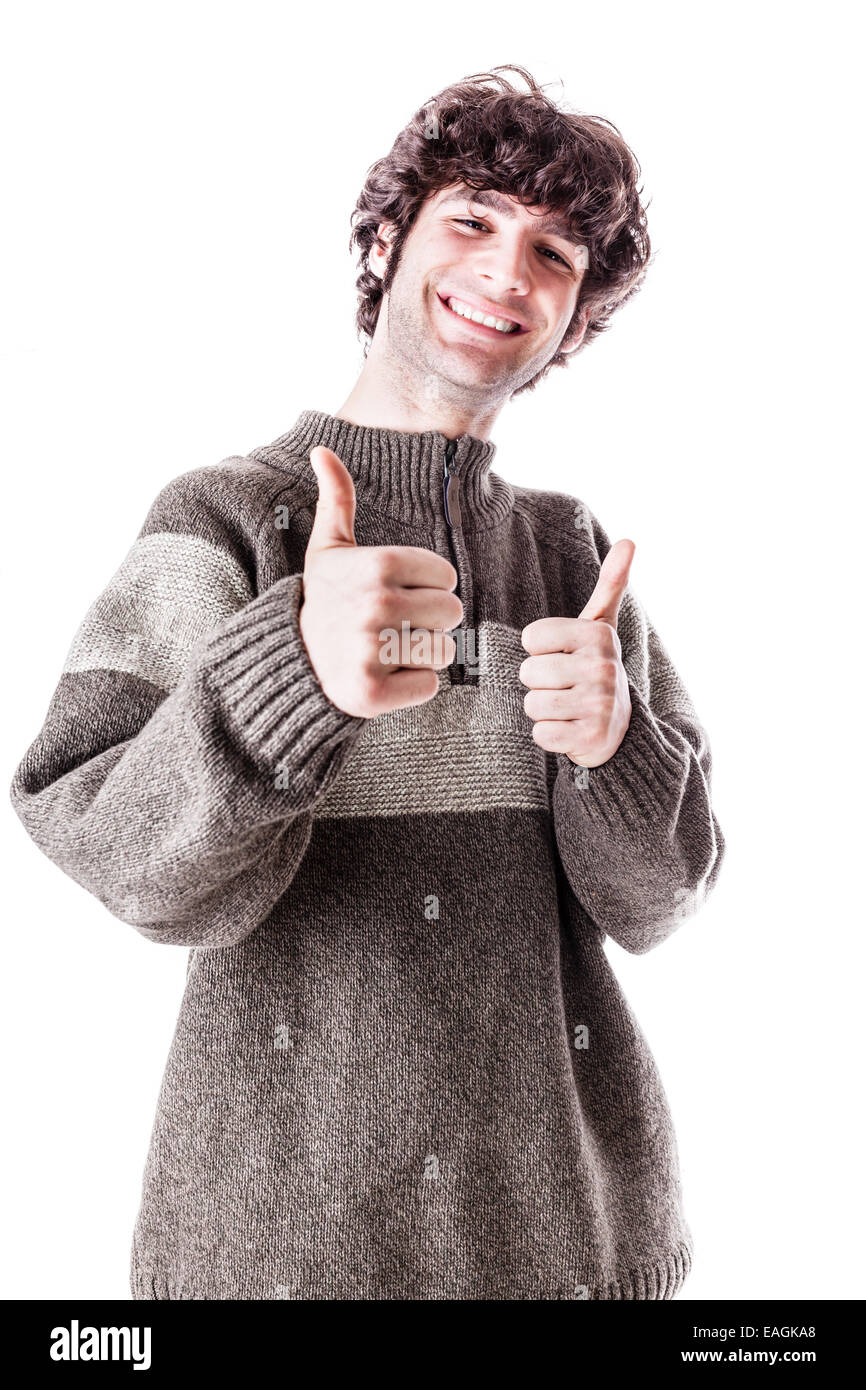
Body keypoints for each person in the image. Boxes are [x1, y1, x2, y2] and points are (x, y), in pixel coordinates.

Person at [10, 65, 725, 1300]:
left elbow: (657, 906)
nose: (508, 273)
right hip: (285, 1258)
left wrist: (614, 751)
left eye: (553, 254)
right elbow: (110, 850)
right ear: (388, 239)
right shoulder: (225, 519)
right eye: (472, 221)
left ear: (573, 319)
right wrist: (285, 675)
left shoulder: (569, 551)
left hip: (571, 1247)